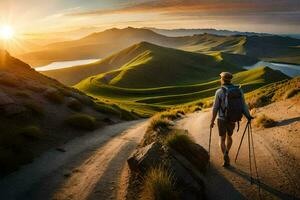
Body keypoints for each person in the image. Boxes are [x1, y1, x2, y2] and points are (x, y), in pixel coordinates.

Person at [210, 72, 253, 167]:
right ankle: (227, 152)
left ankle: (225, 156)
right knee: (229, 137)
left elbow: (215, 108)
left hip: (221, 119)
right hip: (233, 118)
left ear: (222, 79)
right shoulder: (239, 90)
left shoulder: (219, 91)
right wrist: (248, 116)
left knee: (222, 139)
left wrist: (212, 121)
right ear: (230, 80)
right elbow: (243, 105)